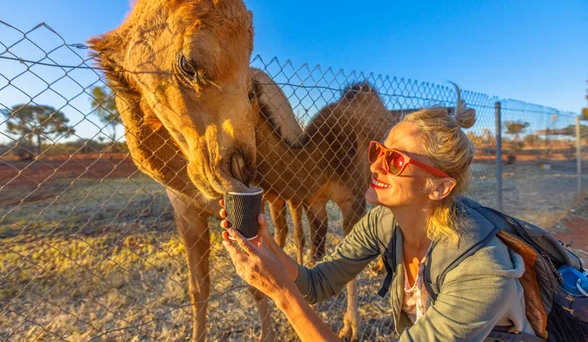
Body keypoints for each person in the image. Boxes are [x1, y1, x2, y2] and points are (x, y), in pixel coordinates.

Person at [219, 87, 539, 341]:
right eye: (378, 151)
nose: (373, 166)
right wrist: (266, 246)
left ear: (439, 188)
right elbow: (317, 284)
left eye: (395, 162)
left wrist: (283, 295)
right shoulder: (384, 222)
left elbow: (297, 294)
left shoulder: (481, 272)